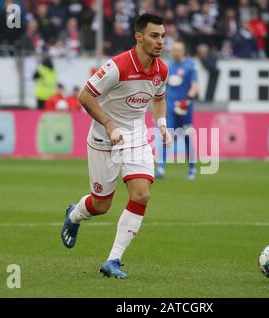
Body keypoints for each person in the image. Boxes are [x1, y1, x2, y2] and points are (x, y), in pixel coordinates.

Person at [60, 13, 171, 279]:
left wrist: (162, 123)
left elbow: (158, 98)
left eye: (163, 36)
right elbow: (84, 96)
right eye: (154, 36)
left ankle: (113, 260)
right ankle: (74, 216)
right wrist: (109, 126)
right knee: (101, 205)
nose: (160, 42)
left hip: (136, 137)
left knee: (142, 194)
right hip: (103, 138)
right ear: (139, 37)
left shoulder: (161, 70)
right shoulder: (117, 66)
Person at [155, 41, 198, 180]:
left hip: (185, 108)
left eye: (178, 50)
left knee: (187, 138)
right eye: (174, 50)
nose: (176, 52)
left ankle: (192, 169)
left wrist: (187, 100)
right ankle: (161, 168)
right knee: (166, 135)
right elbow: (161, 89)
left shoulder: (190, 66)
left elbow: (194, 86)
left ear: (183, 51)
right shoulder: (168, 67)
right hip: (170, 107)